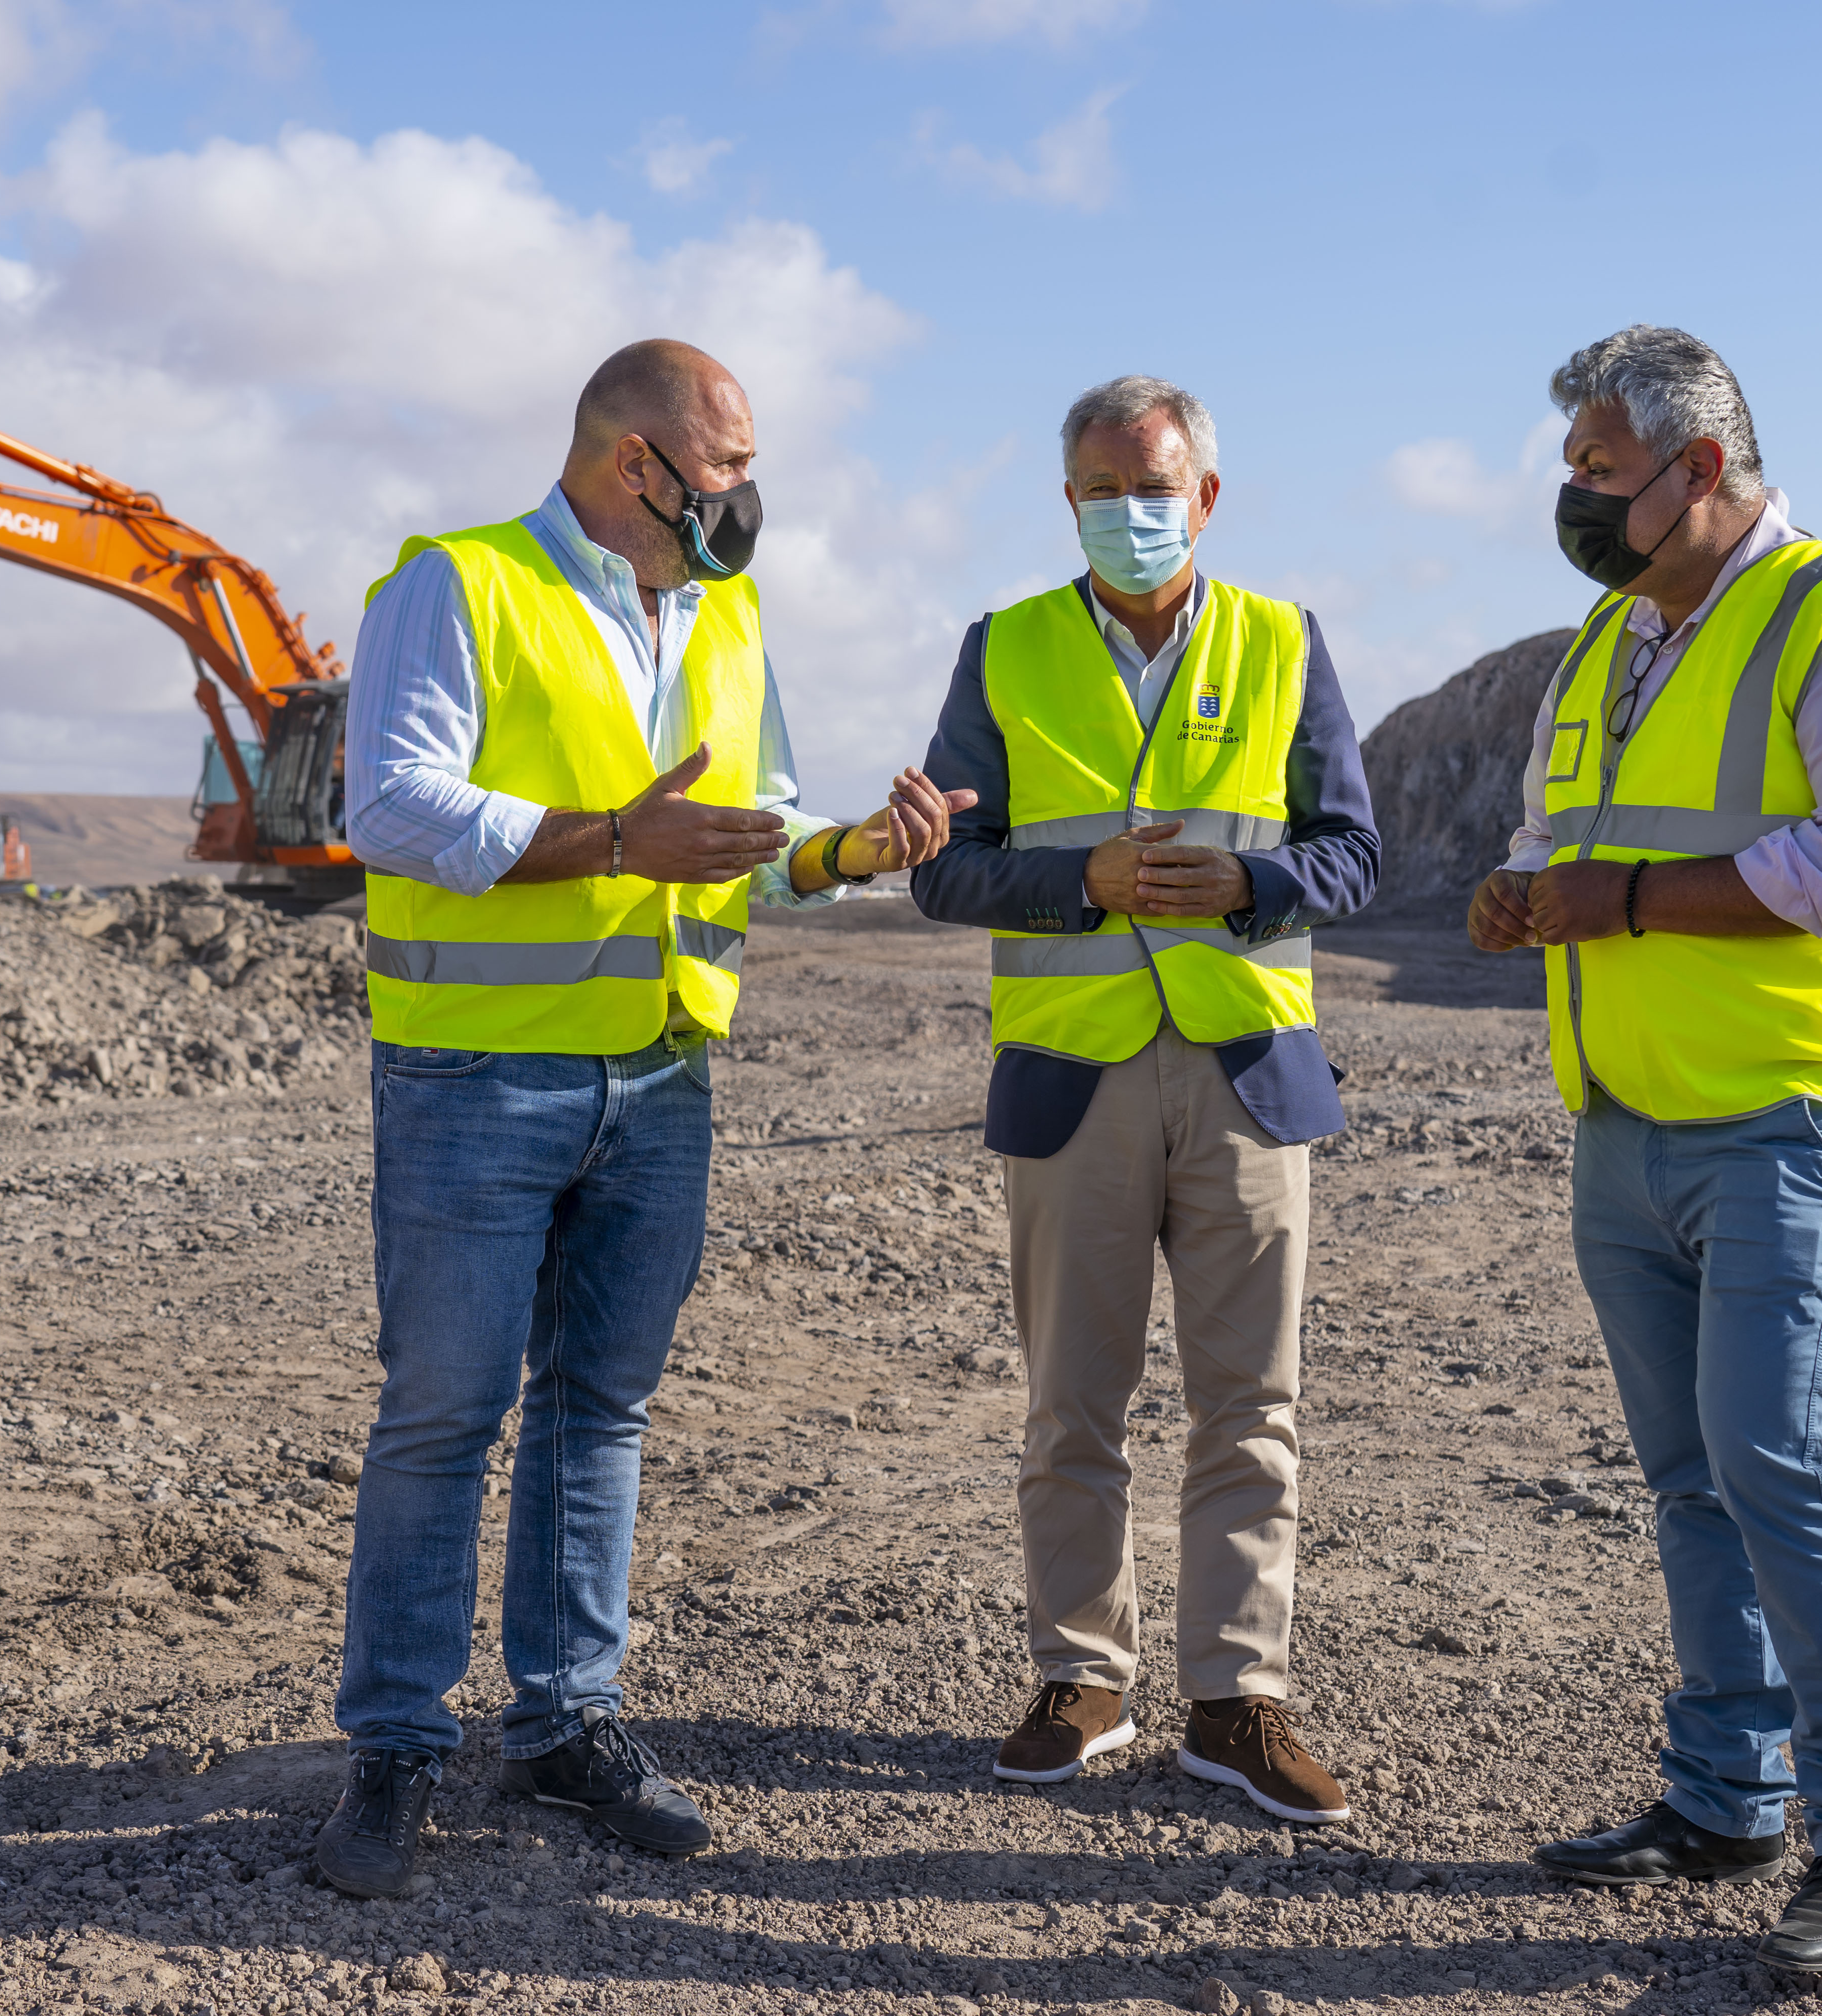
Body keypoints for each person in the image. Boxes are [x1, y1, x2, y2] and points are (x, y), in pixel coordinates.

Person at [315, 338, 972, 1899]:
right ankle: (396, 1746)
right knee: (443, 1416)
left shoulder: (727, 618)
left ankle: (562, 1726)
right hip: (479, 1074)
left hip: (663, 1071)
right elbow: (386, 804)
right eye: (724, 468)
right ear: (632, 465)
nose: (746, 498)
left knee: (596, 1410)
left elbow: (744, 835)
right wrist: (620, 835)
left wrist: (844, 852)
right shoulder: (455, 584)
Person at [1464, 326, 1822, 1973]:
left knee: (1779, 1459)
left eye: (1598, 472)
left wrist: (1616, 902)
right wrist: (1525, 893)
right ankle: (1723, 1794)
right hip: (1629, 1119)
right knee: (1690, 1479)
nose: (1575, 499)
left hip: (1795, 1112)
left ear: (1700, 468)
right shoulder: (1608, 644)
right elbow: (1562, 834)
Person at [910, 375, 1378, 1822]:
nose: (1131, 513)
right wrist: (1080, 883)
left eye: (1155, 487)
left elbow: (1360, 854)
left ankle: (1237, 1701)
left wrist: (1255, 884)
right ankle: (1082, 1675)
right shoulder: (1006, 651)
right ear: (1067, 502)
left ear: (1208, 496)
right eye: (1103, 491)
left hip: (1245, 1074)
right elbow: (942, 867)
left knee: (1253, 1406)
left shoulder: (1285, 644)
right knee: (1074, 1406)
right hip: (1074, 1085)